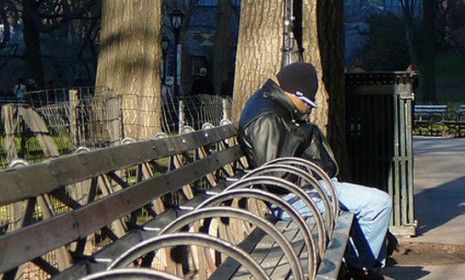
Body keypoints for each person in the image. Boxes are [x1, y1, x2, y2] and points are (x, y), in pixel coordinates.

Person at [238, 62, 392, 279]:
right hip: (291, 200)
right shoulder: (267, 118)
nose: (309, 109)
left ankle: (361, 263)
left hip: (305, 192)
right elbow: (274, 177)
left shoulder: (276, 107)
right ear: (295, 94)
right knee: (378, 203)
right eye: (307, 103)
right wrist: (316, 169)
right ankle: (362, 269)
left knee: (368, 204)